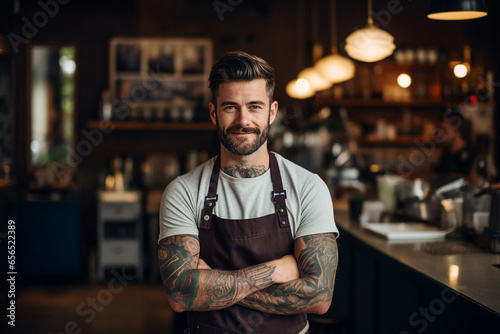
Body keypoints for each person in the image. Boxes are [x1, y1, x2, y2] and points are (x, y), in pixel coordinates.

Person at [158, 51, 339, 334]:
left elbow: (319, 296)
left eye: (254, 106)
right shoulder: (183, 191)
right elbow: (180, 295)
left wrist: (212, 285)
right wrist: (276, 271)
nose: (243, 120)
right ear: (213, 113)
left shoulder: (308, 187)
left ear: (272, 111)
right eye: (230, 107)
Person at [434, 108, 478, 182]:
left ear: (457, 129)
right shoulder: (446, 154)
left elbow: (475, 184)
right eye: (439, 131)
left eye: (444, 131)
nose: (440, 136)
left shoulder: (471, 154)